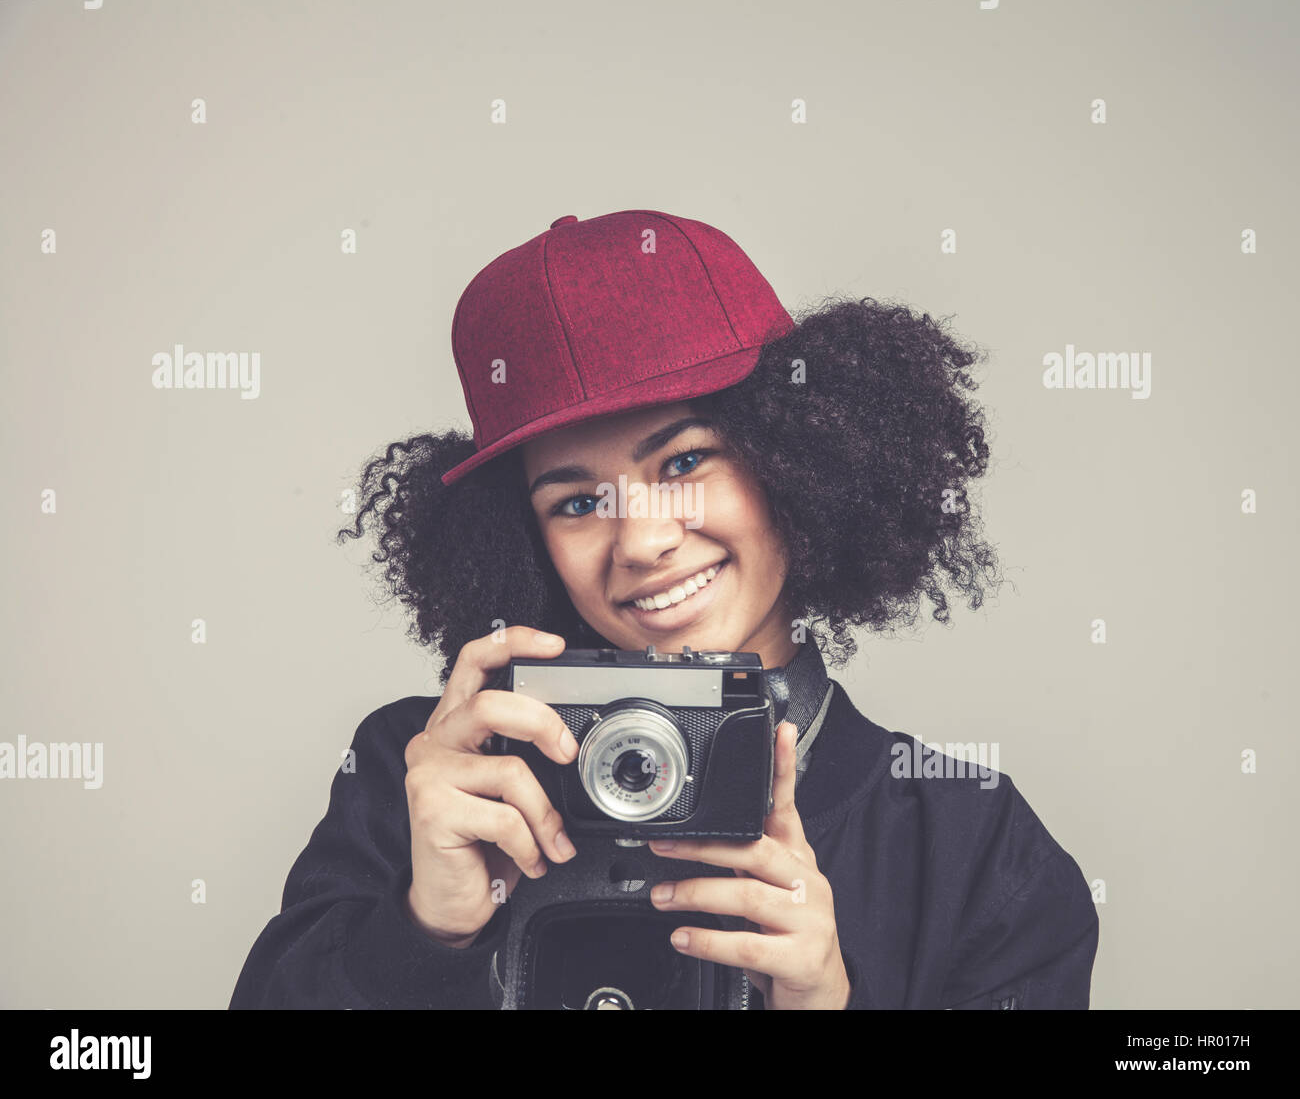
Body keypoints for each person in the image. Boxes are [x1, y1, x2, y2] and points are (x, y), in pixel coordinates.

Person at [229, 209, 1099, 1010]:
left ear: (797, 459)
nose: (640, 542)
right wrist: (421, 933)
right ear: (522, 541)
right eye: (575, 503)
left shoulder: (974, 847)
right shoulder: (415, 776)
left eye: (684, 462)